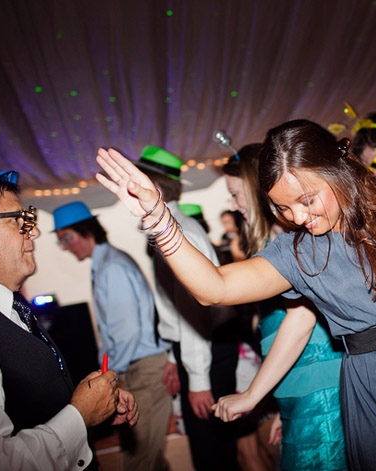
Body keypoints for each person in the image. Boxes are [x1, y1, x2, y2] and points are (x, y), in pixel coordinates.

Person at [95, 119, 376, 470]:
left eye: (306, 199)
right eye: (282, 208)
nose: (299, 217)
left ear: (335, 170)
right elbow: (215, 289)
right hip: (375, 386)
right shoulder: (297, 252)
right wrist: (159, 218)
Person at [0, 143, 138, 470]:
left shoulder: (5, 302)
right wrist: (79, 415)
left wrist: (91, 404)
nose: (35, 231)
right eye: (19, 220)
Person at [221, 143, 347, 470]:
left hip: (317, 380)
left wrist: (253, 394)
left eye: (236, 194)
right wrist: (281, 403)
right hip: (296, 382)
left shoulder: (290, 234)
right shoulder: (272, 237)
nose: (233, 205)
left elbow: (303, 316)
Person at [133, 145, 243, 471]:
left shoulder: (176, 232)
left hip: (207, 349)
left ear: (152, 189)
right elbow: (175, 306)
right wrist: (173, 356)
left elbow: (195, 312)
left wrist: (198, 380)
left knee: (212, 455)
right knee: (212, 450)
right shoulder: (171, 225)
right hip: (200, 348)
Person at [52, 200, 170, 471]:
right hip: (136, 368)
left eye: (67, 238)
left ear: (87, 231)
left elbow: (126, 333)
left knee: (139, 461)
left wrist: (109, 376)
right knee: (149, 459)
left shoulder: (112, 267)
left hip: (142, 371)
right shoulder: (106, 264)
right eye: (61, 242)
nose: (66, 247)